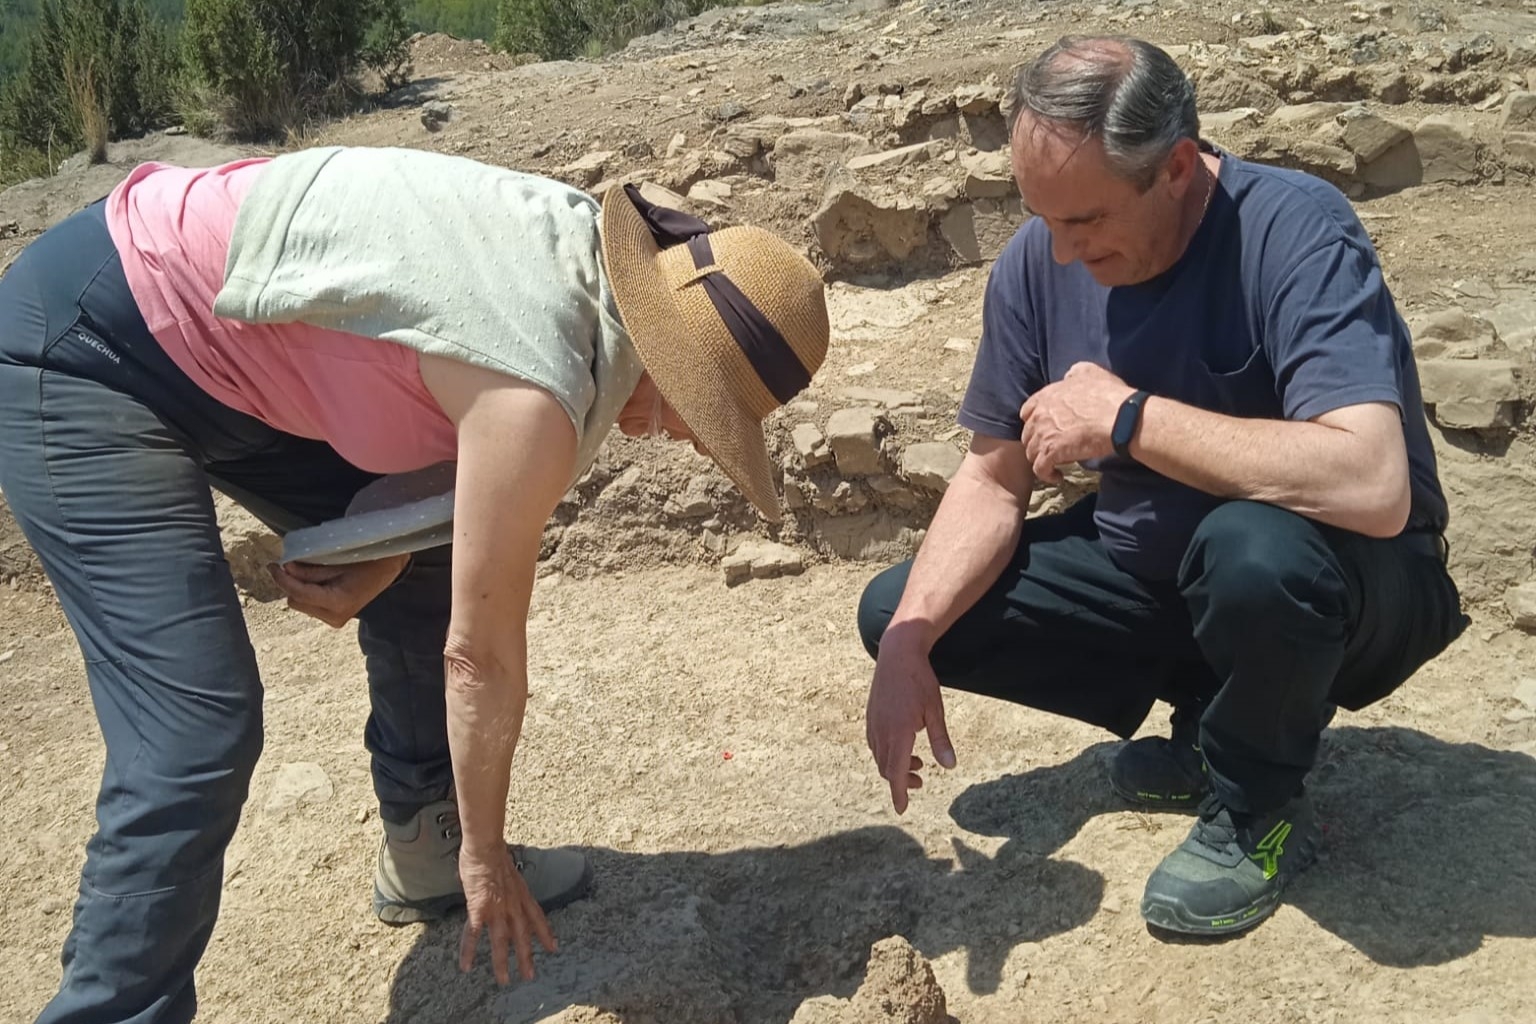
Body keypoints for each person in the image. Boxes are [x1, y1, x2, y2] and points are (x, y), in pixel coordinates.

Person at [0, 144, 829, 1022]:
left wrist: (381, 548)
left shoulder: (584, 273)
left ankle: (420, 843)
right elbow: (482, 662)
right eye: (703, 414)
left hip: (221, 354)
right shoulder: (538, 381)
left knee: (441, 557)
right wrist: (487, 854)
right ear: (668, 358)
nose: (692, 441)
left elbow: (433, 421)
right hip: (89, 348)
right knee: (194, 735)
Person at [858, 36, 1468, 937]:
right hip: (1175, 572)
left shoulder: (1295, 228)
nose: (1062, 255)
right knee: (905, 607)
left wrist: (1129, 416)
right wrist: (909, 645)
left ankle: (1253, 806)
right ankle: (1212, 725)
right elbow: (992, 478)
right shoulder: (1040, 259)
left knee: (1249, 553)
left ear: (1177, 167)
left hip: (1359, 580)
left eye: (1087, 222)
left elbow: (1374, 480)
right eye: (1046, 220)